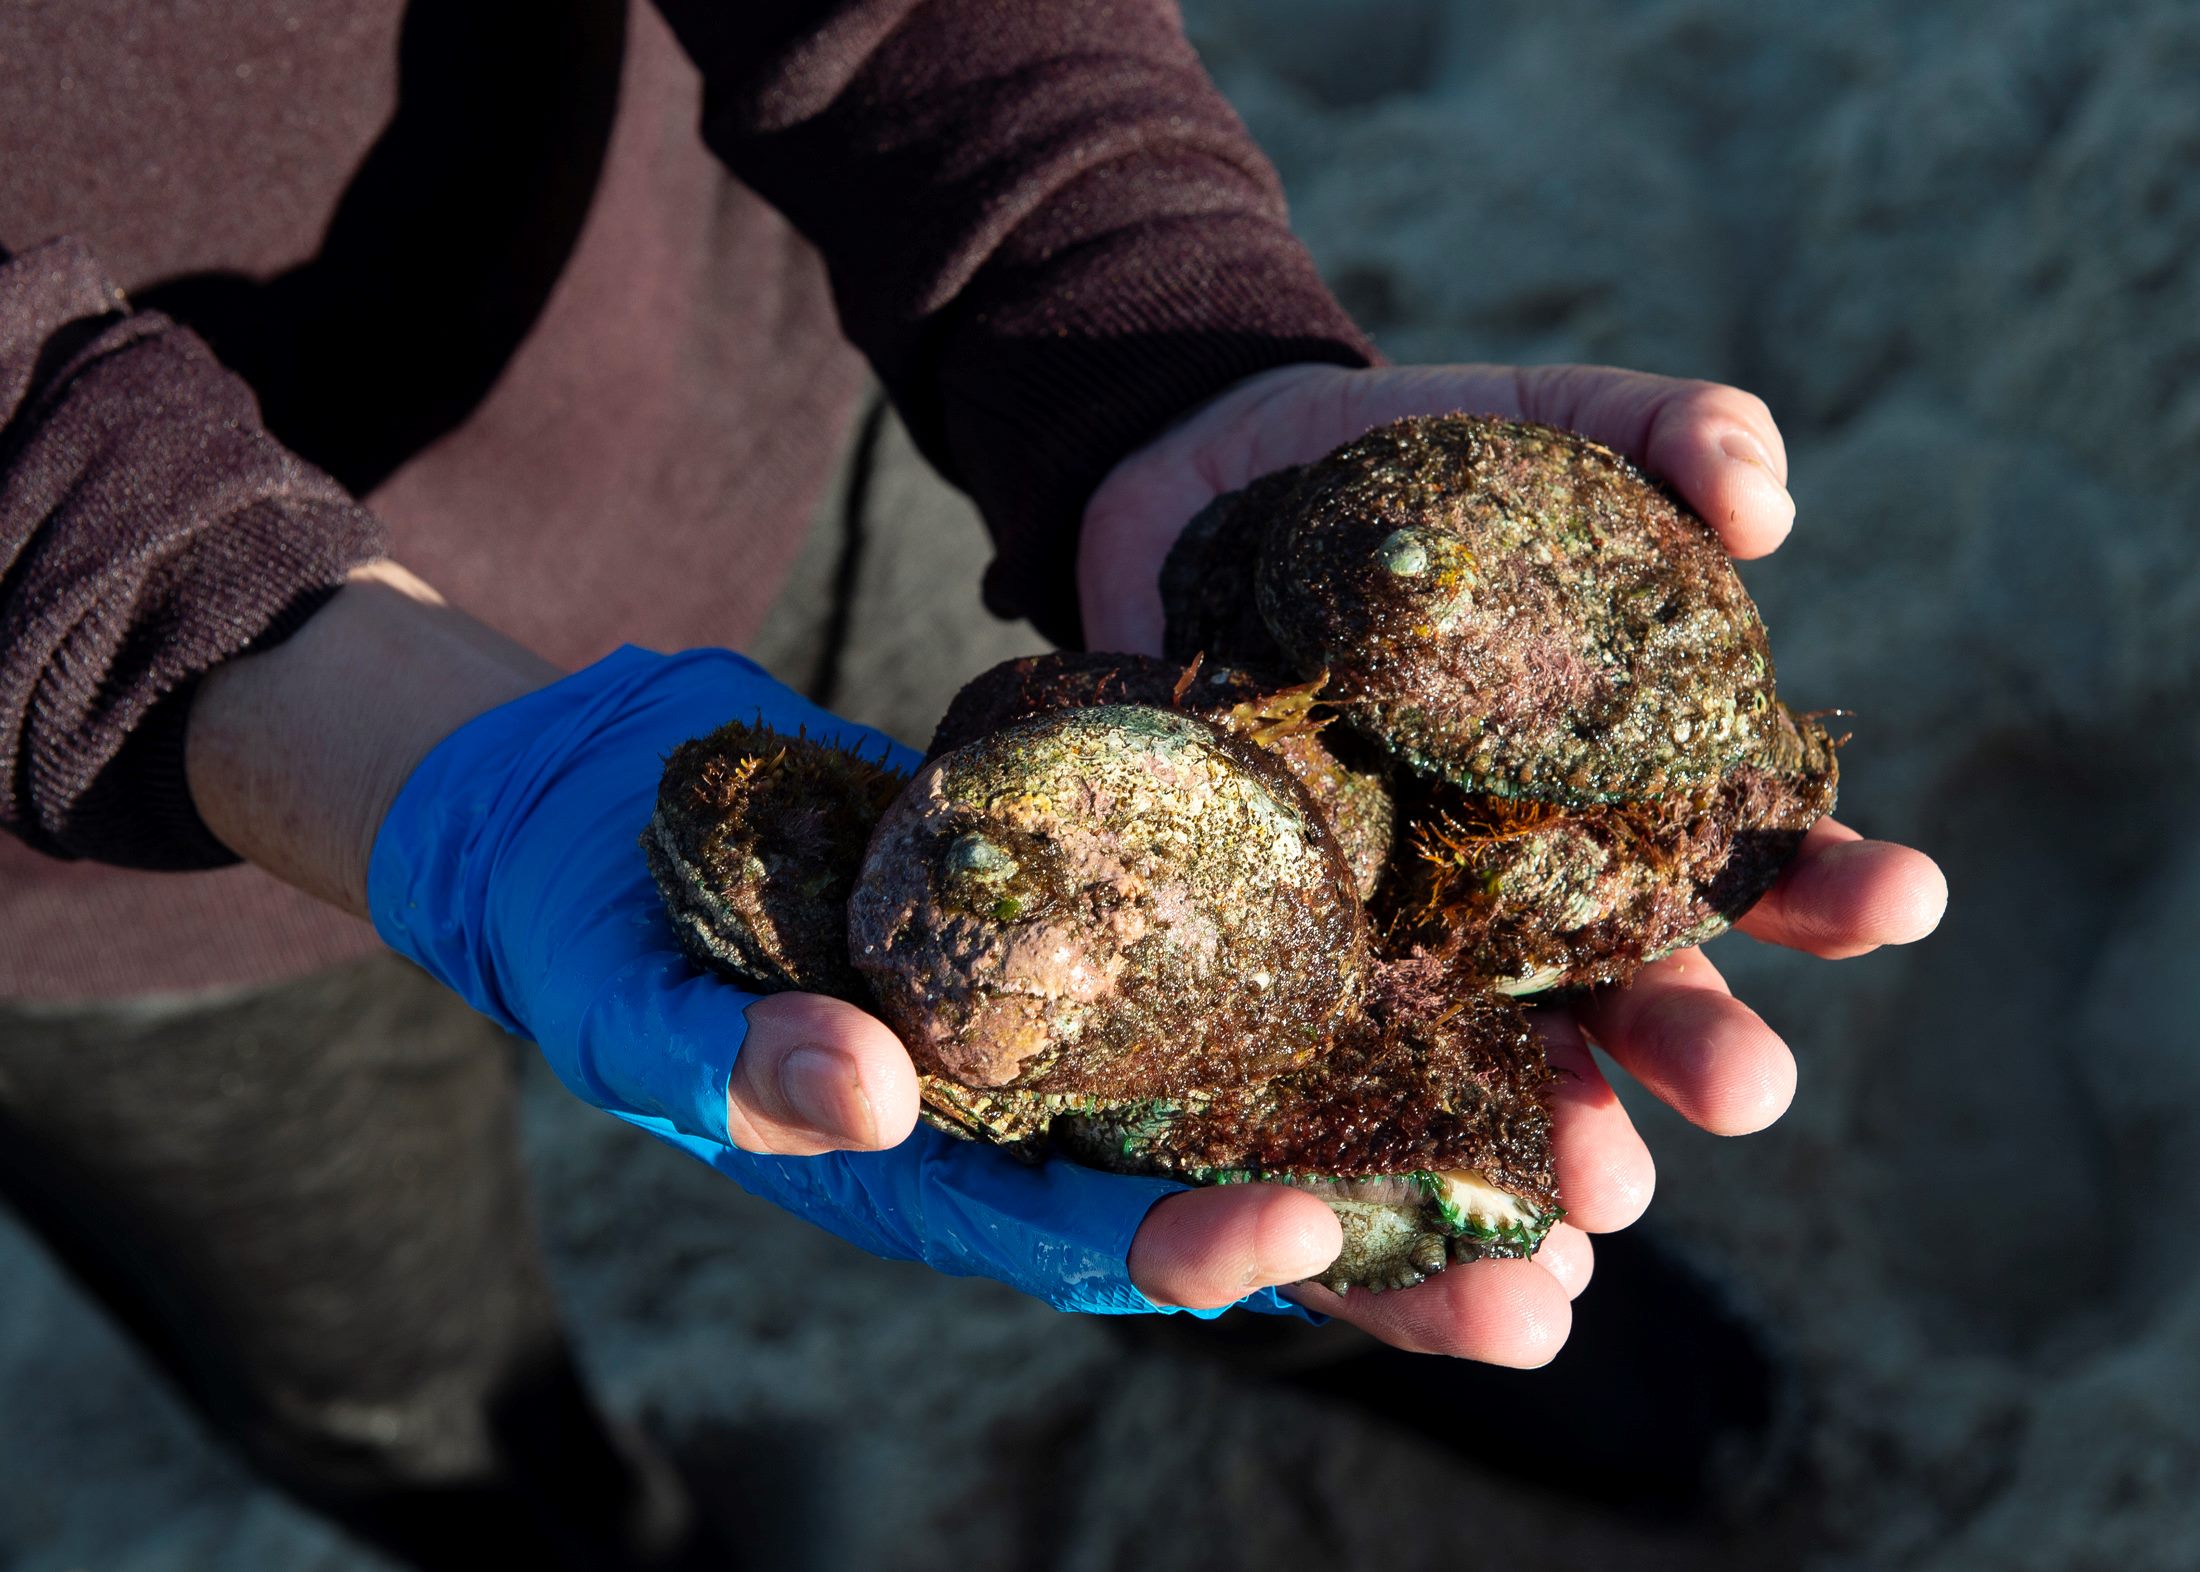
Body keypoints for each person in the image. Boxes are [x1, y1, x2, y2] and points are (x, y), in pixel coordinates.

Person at [0, 2, 1947, 1566]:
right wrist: (194, 636)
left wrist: (1101, 289)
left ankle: (1324, 1315)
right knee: (395, 1392)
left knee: (1250, 1222)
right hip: (80, 867)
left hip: (737, 418)